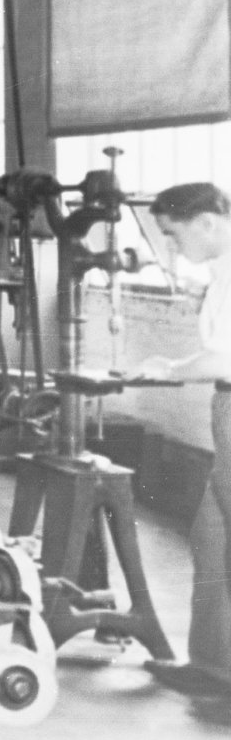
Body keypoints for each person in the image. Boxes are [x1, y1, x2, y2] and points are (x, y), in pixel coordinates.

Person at [125, 182, 231, 692]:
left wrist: (169, 368)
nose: (171, 247)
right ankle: (212, 667)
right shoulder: (218, 272)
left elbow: (225, 357)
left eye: (173, 234)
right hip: (224, 409)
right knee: (210, 538)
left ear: (207, 221)